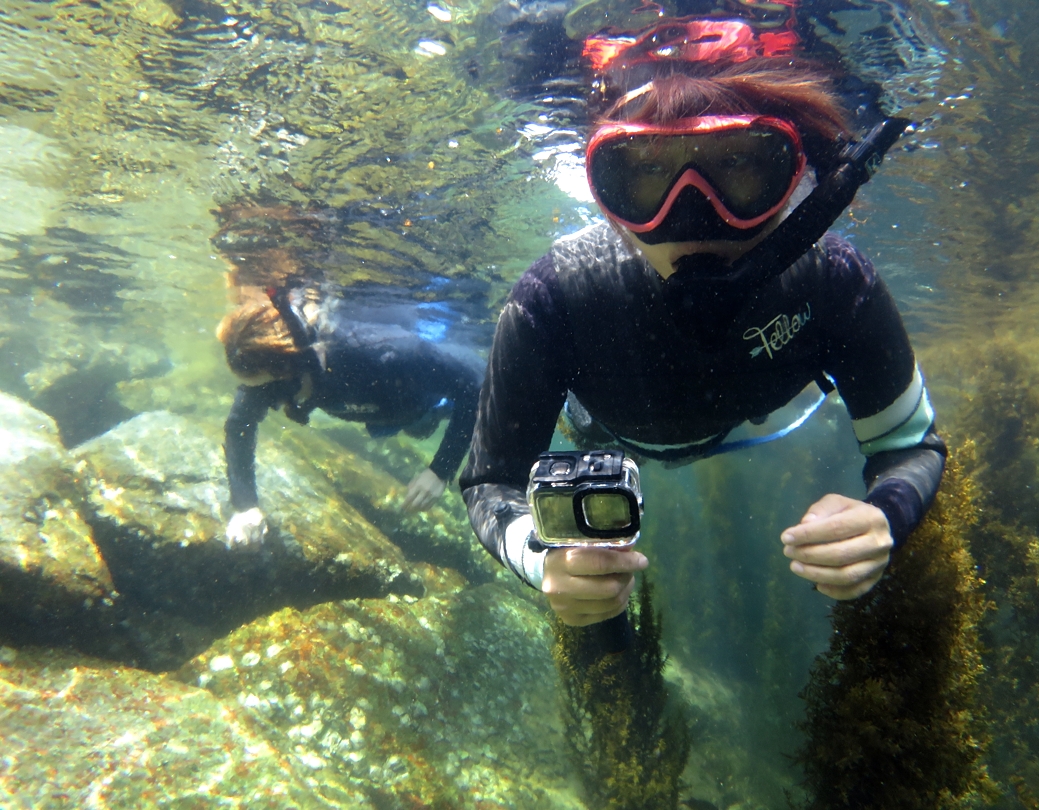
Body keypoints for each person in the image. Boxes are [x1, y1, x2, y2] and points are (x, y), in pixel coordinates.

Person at [459, 17, 947, 628]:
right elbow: (490, 482)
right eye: (641, 174)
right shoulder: (555, 296)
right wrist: (540, 558)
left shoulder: (835, 282)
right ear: (605, 199)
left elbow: (909, 448)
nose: (692, 214)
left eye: (740, 167)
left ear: (795, 181)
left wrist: (886, 515)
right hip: (604, 431)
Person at [217, 285, 485, 548]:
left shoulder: (384, 351)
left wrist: (441, 470)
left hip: (424, 395)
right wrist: (245, 506)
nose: (270, 399)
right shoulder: (273, 374)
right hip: (386, 413)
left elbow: (475, 383)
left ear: (295, 365)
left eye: (275, 389)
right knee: (412, 426)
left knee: (462, 406)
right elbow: (240, 424)